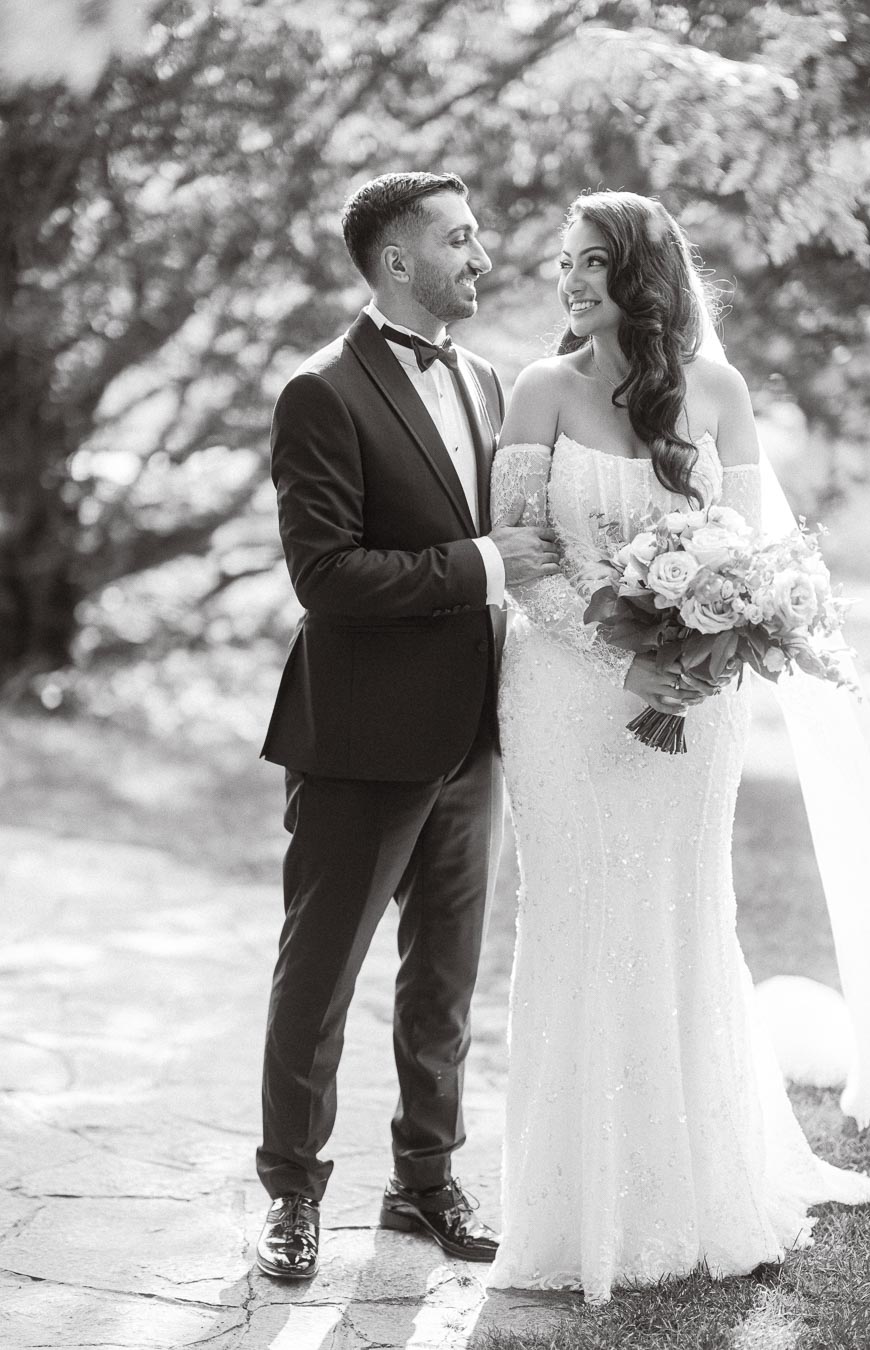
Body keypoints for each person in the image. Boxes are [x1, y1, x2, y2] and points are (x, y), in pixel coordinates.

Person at [487, 189, 870, 1303]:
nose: (566, 282)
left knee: (679, 916)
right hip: (567, 699)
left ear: (641, 272)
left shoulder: (715, 391)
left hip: (701, 703)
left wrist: (708, 651)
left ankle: (690, 1186)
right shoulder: (540, 388)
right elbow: (520, 550)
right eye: (563, 264)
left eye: (587, 263)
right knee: (578, 923)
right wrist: (622, 659)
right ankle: (574, 1209)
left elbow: (760, 553)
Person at [254, 171, 559, 1280]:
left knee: (444, 981)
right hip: (357, 741)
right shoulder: (320, 392)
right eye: (460, 240)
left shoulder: (485, 379)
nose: (482, 257)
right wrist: (479, 565)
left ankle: (423, 1183)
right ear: (397, 262)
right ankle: (290, 1191)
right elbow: (325, 576)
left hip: (471, 737)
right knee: (321, 977)